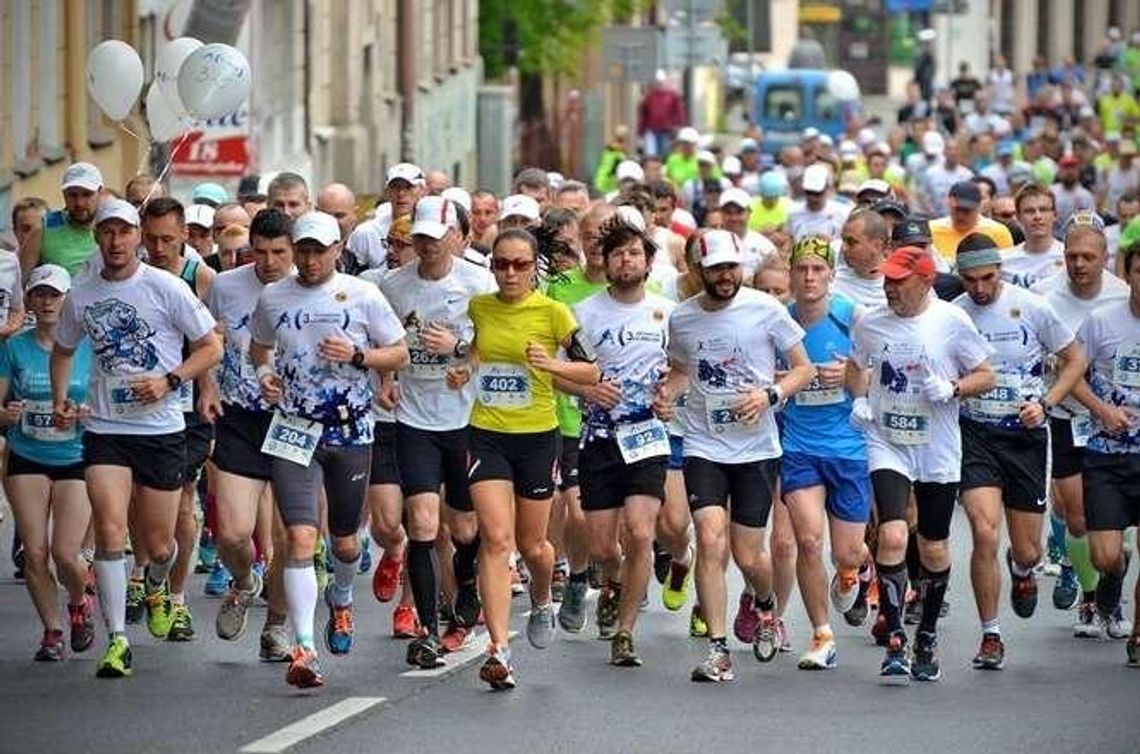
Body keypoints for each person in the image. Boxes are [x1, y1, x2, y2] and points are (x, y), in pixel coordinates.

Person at [50, 198, 222, 678]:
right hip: (107, 429)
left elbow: (211, 347)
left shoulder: (166, 288)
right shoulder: (81, 294)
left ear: (137, 237)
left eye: (124, 232)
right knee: (109, 530)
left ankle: (157, 584)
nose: (115, 241)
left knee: (160, 543)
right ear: (97, 238)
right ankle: (118, 640)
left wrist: (170, 380)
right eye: (107, 232)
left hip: (162, 429)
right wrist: (64, 397)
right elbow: (63, 350)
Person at [249, 211, 409, 688]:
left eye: (321, 250)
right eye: (304, 250)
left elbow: (398, 351)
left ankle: (340, 598)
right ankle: (304, 647)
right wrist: (265, 376)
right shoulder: (273, 296)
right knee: (299, 538)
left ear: (338, 250)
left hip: (351, 433)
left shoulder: (363, 295)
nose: (311, 260)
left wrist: (359, 357)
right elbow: (259, 347)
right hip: (295, 430)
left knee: (343, 540)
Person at [654, 229, 814, 682]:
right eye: (716, 269)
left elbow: (804, 369)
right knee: (708, 536)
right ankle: (718, 649)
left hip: (756, 448)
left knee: (750, 556)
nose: (726, 276)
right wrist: (668, 395)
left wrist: (770, 395)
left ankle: (764, 603)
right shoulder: (682, 319)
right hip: (705, 444)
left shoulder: (765, 309)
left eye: (731, 267)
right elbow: (682, 370)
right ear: (697, 271)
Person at [458, 229, 600, 690]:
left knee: (534, 546)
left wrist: (553, 364)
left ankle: (542, 594)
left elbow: (592, 370)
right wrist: (465, 365)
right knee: (496, 541)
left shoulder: (554, 313)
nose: (510, 273)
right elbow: (477, 348)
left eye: (521, 264)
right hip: (487, 435)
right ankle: (499, 648)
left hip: (538, 438)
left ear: (535, 267)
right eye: (502, 264)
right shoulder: (480, 307)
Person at [848, 246, 995, 684]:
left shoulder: (951, 322)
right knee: (892, 533)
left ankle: (926, 633)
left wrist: (952, 388)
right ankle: (895, 638)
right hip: (887, 439)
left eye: (898, 280)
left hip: (936, 446)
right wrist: (858, 397)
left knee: (932, 546)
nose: (889, 287)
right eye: (887, 280)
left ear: (926, 281)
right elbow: (858, 366)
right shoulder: (871, 321)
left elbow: (986, 374)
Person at [953, 238, 1085, 670]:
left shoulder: (1032, 306)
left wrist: (1046, 403)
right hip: (976, 434)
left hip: (1025, 437)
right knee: (984, 532)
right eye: (970, 280)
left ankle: (1023, 569)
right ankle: (990, 634)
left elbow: (1074, 359)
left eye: (988, 277)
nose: (980, 288)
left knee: (1027, 549)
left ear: (1000, 270)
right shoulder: (954, 313)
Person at [378, 196, 495, 667]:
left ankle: (466, 584)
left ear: (456, 237)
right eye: (419, 236)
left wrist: (461, 349)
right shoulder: (392, 285)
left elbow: (497, 345)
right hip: (414, 418)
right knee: (423, 525)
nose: (426, 244)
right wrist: (384, 381)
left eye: (434, 235)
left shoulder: (480, 282)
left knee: (465, 528)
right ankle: (428, 630)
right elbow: (381, 340)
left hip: (466, 419)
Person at [572, 217, 675, 665]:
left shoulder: (668, 312)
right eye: (618, 254)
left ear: (649, 261)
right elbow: (560, 373)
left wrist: (671, 395)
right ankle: (611, 581)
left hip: (647, 435)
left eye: (634, 253)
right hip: (598, 437)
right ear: (605, 262)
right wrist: (587, 390)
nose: (626, 260)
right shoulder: (584, 313)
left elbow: (685, 367)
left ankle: (626, 632)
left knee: (640, 531)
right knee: (601, 547)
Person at [199, 209, 294, 655]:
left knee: (285, 537)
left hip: (294, 421)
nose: (269, 261)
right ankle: (243, 580)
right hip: (240, 417)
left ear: (293, 250)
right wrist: (208, 384)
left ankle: (277, 625)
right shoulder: (225, 285)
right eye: (260, 252)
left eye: (279, 252)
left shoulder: (308, 289)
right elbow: (207, 343)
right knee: (234, 533)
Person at [779, 236, 874, 670]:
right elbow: (760, 372)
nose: (810, 277)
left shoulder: (854, 318)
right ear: (792, 275)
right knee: (808, 540)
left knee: (846, 553)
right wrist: (786, 378)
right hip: (799, 445)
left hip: (850, 446)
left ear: (832, 275)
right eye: (802, 269)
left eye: (818, 269)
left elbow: (876, 379)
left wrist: (852, 374)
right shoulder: (779, 320)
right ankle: (821, 634)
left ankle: (855, 571)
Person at [1032, 224, 1131, 627]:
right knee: (1077, 517)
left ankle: (1111, 589)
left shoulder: (1123, 294)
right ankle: (1089, 598)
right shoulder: (1044, 296)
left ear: (1104, 257)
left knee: (1113, 520)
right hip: (1066, 416)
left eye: (1088, 257)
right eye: (1072, 256)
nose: (1078, 264)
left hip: (1116, 423)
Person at [1, 264, 95, 661]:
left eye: (54, 295)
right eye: (39, 294)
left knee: (65, 553)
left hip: (76, 457)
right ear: (30, 300)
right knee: (34, 553)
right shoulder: (14, 347)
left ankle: (79, 601)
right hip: (27, 454)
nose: (46, 302)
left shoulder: (88, 345)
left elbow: (105, 404)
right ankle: (52, 630)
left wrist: (83, 412)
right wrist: (4, 415)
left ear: (68, 299)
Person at [138, 197, 218, 642]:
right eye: (151, 239)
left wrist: (208, 389)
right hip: (134, 409)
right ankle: (142, 574)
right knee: (137, 497)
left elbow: (212, 340)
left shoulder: (200, 277)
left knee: (184, 498)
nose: (159, 247)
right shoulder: (129, 274)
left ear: (185, 236)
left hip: (186, 406)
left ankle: (178, 596)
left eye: (168, 239)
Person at [546, 202, 615, 634]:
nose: (596, 243)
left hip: (625, 422)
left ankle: (612, 587)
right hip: (570, 418)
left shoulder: (641, 292)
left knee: (619, 524)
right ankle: (575, 576)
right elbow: (548, 356)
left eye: (605, 235)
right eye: (588, 235)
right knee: (576, 510)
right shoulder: (558, 288)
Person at [1073, 242, 1140, 665]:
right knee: (1104, 555)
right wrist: (1102, 410)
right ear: (1127, 274)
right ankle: (1114, 570)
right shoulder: (1101, 321)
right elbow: (1071, 375)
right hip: (1106, 454)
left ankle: (1138, 634)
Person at [20, 162, 101, 277]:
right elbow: (19, 281)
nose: (79, 203)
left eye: (87, 195)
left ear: (100, 192)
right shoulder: (44, 227)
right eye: (72, 195)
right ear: (64, 194)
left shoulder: (111, 226)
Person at [1003, 184, 1064, 288]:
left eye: (1043, 210)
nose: (1038, 216)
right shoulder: (1004, 262)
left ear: (1055, 215)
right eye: (1029, 211)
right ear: (1018, 217)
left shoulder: (1069, 257)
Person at [638, 72, 687, 158]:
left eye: (660, 82)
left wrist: (680, 125)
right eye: (657, 82)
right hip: (652, 130)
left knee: (664, 152)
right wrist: (641, 131)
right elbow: (644, 115)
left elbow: (679, 111)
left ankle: (662, 167)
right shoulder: (649, 97)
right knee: (651, 154)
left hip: (666, 130)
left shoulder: (672, 96)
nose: (659, 85)